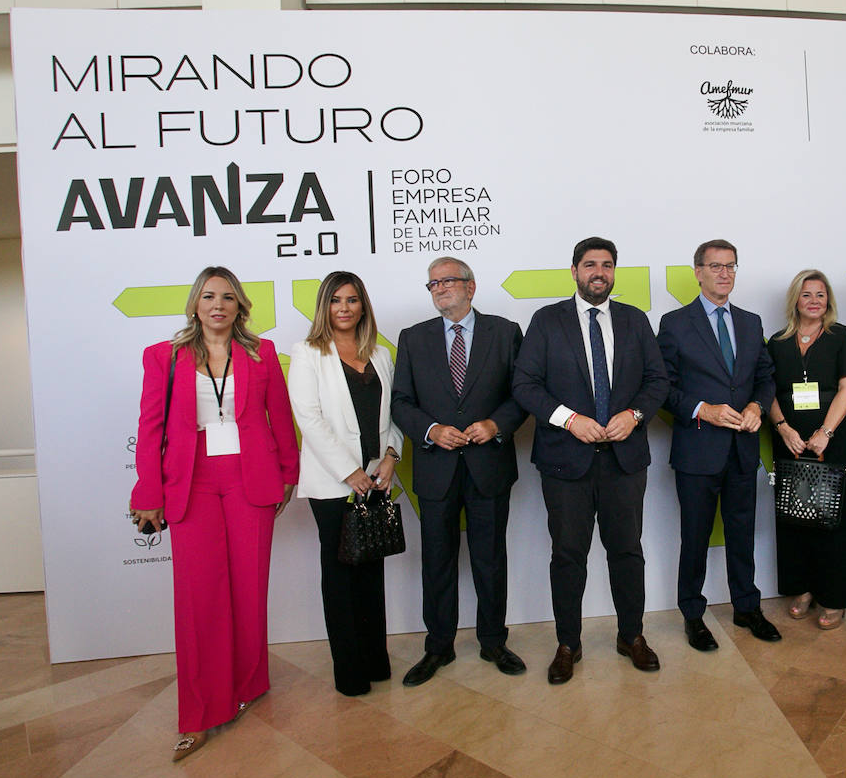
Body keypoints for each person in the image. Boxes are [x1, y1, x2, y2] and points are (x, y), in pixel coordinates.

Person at [130, 266, 297, 761]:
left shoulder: (260, 353)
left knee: (249, 587)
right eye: (208, 296)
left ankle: (250, 683)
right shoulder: (165, 356)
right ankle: (200, 711)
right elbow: (150, 424)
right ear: (195, 304)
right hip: (192, 483)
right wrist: (148, 490)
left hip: (252, 480)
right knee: (200, 599)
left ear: (240, 305)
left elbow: (279, 415)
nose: (218, 305)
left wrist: (288, 473)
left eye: (227, 296)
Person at [512, 236, 670, 684]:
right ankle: (568, 644)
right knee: (567, 555)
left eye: (606, 265)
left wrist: (634, 415)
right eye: (589, 265)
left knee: (627, 551)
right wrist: (568, 419)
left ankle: (631, 636)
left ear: (614, 272)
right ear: (574, 271)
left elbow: (657, 380)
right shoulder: (546, 321)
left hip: (624, 459)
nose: (598, 272)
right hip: (566, 461)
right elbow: (525, 385)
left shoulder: (635, 320)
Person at [391, 256, 528, 686]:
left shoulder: (505, 333)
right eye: (432, 284)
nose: (440, 289)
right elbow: (400, 403)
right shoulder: (413, 339)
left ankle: (493, 641)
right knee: (437, 561)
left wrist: (496, 425)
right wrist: (430, 430)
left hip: (489, 466)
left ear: (471, 286)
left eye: (448, 281)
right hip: (436, 469)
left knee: (490, 560)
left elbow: (523, 394)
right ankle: (439, 646)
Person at [657, 239, 780, 651]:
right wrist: (701, 409)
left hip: (743, 450)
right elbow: (662, 388)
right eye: (715, 266)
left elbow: (765, 377)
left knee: (743, 534)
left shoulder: (750, 321)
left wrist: (757, 407)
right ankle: (693, 614)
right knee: (694, 537)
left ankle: (747, 606)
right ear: (698, 272)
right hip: (697, 451)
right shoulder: (675, 324)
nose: (723, 273)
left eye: (730, 266)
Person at [287, 272, 402, 696]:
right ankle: (349, 673)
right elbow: (309, 419)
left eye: (352, 300)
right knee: (340, 575)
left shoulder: (382, 355)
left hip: (376, 479)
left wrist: (391, 458)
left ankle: (376, 661)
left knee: (372, 571)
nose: (344, 308)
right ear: (324, 307)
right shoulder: (307, 353)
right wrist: (348, 472)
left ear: (362, 306)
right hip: (334, 485)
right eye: (336, 300)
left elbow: (393, 416)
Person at [765, 270, 846, 630]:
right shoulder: (776, 342)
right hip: (789, 439)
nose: (815, 301)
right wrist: (782, 428)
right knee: (795, 518)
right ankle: (802, 589)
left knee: (832, 520)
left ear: (829, 301)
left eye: (821, 295)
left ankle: (834, 597)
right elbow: (767, 391)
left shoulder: (843, 338)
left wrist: (825, 432)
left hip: (830, 439)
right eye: (807, 295)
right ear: (796, 300)